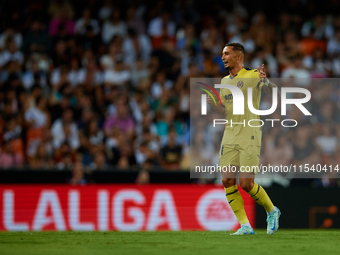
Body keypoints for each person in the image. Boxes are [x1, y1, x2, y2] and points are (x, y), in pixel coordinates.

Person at [207, 42, 281, 235]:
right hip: (230, 134)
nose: (222, 57)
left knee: (246, 184)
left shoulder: (253, 75)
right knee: (227, 180)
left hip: (250, 133)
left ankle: (272, 211)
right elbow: (224, 109)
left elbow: (275, 93)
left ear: (238, 57)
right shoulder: (224, 82)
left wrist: (266, 82)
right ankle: (245, 226)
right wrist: (216, 105)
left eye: (226, 54)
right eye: (222, 54)